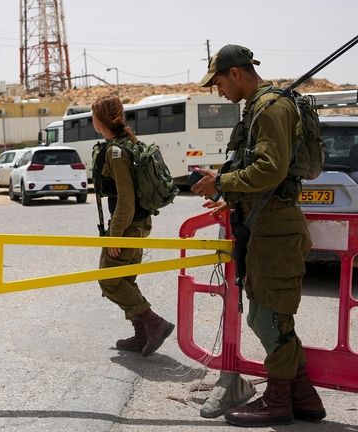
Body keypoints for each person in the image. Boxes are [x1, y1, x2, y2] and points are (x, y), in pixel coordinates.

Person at [191, 44, 325, 427]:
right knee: (272, 316)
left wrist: (222, 182)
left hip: (276, 230)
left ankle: (278, 403)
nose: (218, 91)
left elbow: (269, 169)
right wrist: (230, 198)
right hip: (267, 224)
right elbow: (266, 174)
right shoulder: (261, 107)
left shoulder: (270, 109)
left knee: (268, 317)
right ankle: (303, 397)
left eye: (218, 82)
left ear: (235, 73)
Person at [90, 95, 175, 357]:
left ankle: (154, 323)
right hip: (138, 224)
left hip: (127, 227)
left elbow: (125, 198)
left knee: (109, 280)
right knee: (123, 279)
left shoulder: (116, 151)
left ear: (99, 120)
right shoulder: (127, 143)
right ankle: (142, 334)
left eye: (93, 116)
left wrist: (115, 236)